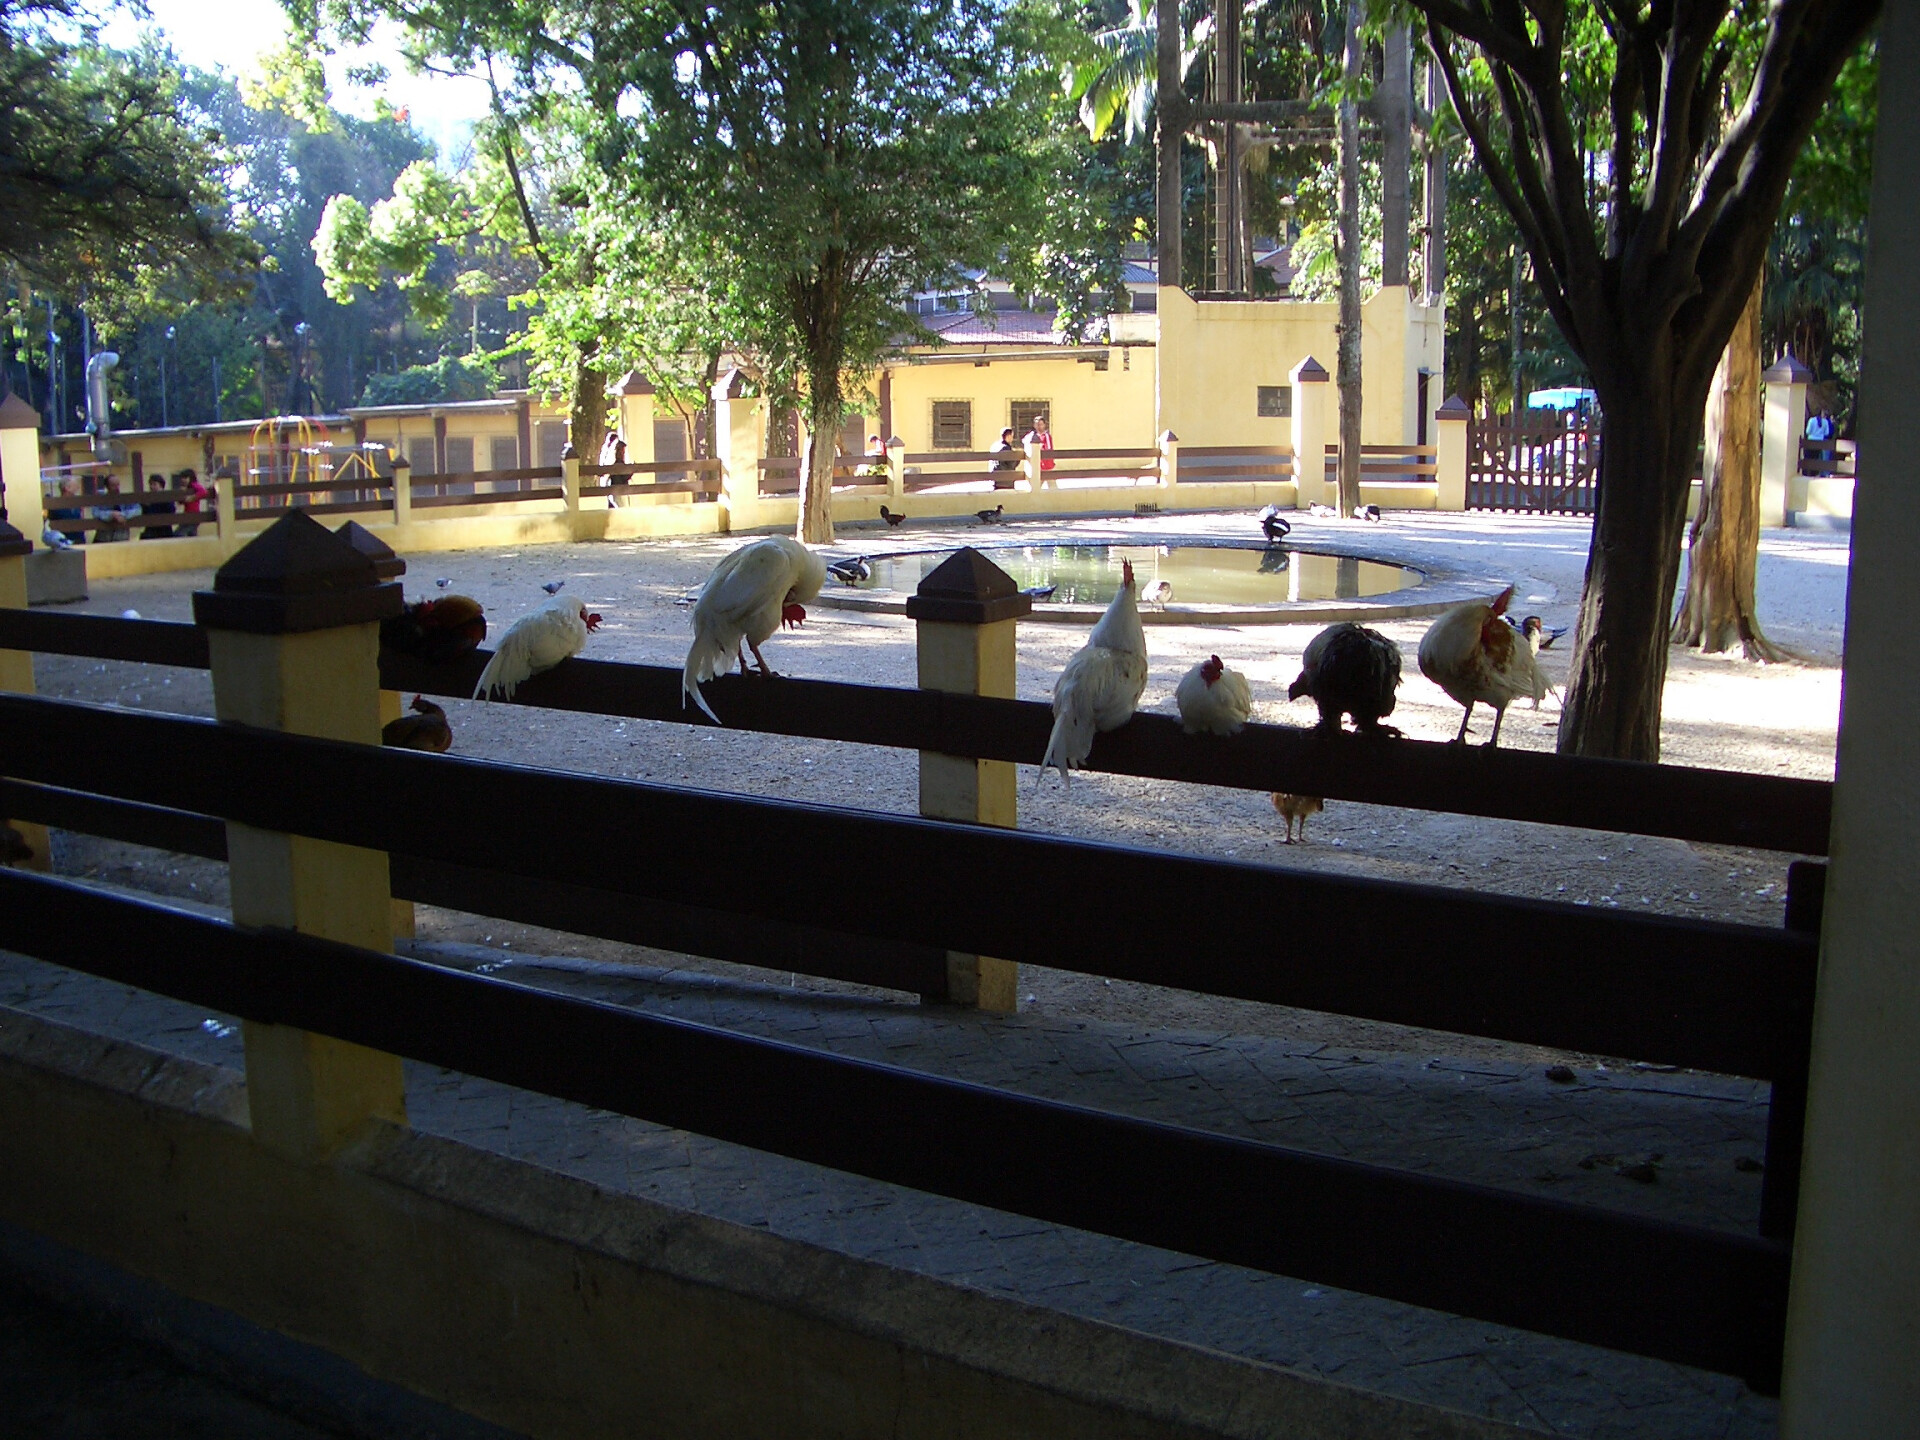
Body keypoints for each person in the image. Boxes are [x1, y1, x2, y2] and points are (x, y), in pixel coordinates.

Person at [48, 477, 84, 546]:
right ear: (67, 488)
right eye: (75, 485)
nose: (78, 487)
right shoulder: (56, 506)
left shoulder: (77, 503)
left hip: (79, 541)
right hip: (63, 543)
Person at [174, 468, 210, 537]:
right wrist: (182, 494)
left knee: (179, 534)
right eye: (182, 478)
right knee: (191, 534)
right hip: (188, 516)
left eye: (185, 478)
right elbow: (182, 502)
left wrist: (193, 497)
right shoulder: (187, 488)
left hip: (193, 516)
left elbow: (203, 491)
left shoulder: (194, 484)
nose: (183, 480)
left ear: (191, 478)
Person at [1023, 413, 1055, 488]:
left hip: (1047, 465)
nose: (1039, 426)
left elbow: (1048, 449)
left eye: (1041, 424)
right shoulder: (1031, 436)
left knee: (1052, 486)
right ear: (1034, 425)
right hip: (1036, 465)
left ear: (1044, 425)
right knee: (1035, 487)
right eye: (1037, 424)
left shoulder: (1046, 436)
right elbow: (1025, 443)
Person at [140, 474, 177, 539]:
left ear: (161, 486)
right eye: (150, 484)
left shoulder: (167, 497)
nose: (151, 486)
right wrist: (145, 506)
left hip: (164, 530)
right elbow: (145, 515)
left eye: (154, 484)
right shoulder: (148, 498)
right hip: (151, 530)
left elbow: (171, 511)